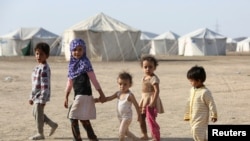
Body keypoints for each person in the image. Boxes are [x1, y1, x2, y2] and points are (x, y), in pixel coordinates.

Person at [64, 38, 106, 141]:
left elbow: (94, 80)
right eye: (74, 50)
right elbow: (69, 83)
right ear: (71, 51)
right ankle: (92, 138)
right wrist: (66, 97)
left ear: (84, 50)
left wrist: (101, 94)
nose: (77, 52)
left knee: (72, 116)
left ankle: (77, 139)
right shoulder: (72, 67)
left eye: (80, 49)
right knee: (83, 118)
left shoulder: (86, 63)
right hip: (77, 96)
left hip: (84, 95)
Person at [96, 71, 141, 141]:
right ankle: (137, 139)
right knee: (126, 132)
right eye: (120, 84)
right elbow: (108, 98)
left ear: (130, 85)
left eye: (125, 84)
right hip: (120, 117)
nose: (122, 86)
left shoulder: (130, 95)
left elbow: (136, 105)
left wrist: (139, 116)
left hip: (127, 117)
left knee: (121, 132)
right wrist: (98, 100)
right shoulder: (118, 93)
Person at [28, 42, 58, 140]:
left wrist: (43, 100)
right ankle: (52, 124)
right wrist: (31, 97)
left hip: (41, 96)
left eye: (41, 54)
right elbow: (34, 84)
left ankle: (40, 133)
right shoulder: (36, 68)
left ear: (47, 56)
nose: (38, 56)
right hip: (35, 95)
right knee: (36, 113)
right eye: (37, 53)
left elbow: (45, 85)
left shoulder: (44, 68)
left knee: (38, 113)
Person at [184, 65, 218, 141]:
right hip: (193, 118)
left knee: (198, 132)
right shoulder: (192, 90)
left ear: (199, 80)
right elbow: (189, 102)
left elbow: (211, 103)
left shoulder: (205, 92)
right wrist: (187, 114)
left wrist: (214, 115)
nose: (190, 83)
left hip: (201, 119)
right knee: (194, 133)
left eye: (191, 81)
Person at [139, 55, 164, 141]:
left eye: (150, 67)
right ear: (142, 67)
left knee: (151, 119)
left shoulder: (154, 78)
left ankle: (155, 137)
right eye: (145, 67)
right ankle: (144, 134)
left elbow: (157, 91)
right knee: (141, 117)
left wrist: (153, 102)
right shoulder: (144, 77)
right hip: (144, 100)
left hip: (151, 100)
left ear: (154, 68)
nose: (147, 69)